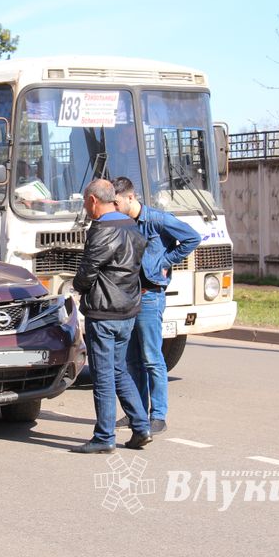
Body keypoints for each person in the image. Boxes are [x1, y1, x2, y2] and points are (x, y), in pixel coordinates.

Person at [112, 176, 201, 435]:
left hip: (150, 296)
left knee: (152, 358)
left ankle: (158, 415)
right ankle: (136, 413)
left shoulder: (158, 220)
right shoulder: (121, 223)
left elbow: (192, 238)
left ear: (130, 197)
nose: (114, 208)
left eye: (117, 203)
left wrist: (164, 261)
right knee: (131, 360)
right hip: (126, 298)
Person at [71, 178, 152, 454]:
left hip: (103, 312)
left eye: (84, 202)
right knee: (119, 370)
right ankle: (141, 426)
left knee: (103, 375)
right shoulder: (131, 224)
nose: (85, 207)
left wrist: (78, 287)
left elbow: (88, 269)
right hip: (127, 310)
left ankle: (104, 436)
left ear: (94, 200)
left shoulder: (102, 229)